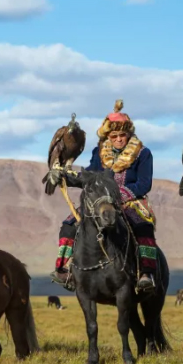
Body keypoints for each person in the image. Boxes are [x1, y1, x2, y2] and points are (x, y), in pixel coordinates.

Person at [50, 100, 158, 293]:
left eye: (122, 135)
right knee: (69, 225)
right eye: (114, 135)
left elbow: (144, 183)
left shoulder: (143, 153)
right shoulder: (99, 153)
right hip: (100, 201)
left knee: (143, 226)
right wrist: (65, 177)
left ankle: (146, 273)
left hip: (130, 201)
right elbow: (90, 175)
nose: (118, 139)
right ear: (108, 135)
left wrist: (118, 195)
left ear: (129, 135)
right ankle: (65, 269)